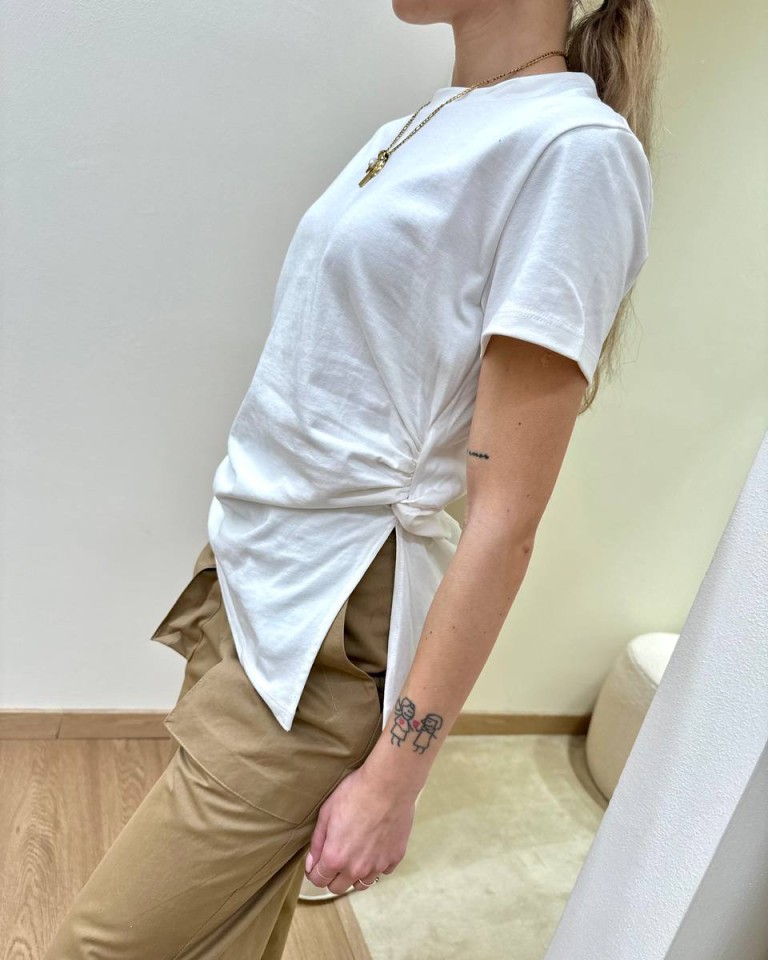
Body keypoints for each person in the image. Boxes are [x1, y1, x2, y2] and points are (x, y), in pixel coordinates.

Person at [43, 0, 661, 956]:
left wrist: (396, 778)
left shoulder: (573, 152)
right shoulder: (428, 122)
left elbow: (504, 520)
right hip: (257, 570)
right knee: (225, 938)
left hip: (330, 619)